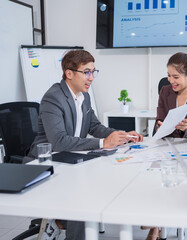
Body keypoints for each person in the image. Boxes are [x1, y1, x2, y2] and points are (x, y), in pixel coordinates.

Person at [28, 49, 143, 240]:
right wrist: (103, 142)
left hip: (71, 156)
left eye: (93, 71)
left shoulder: (84, 95)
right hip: (47, 161)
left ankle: (60, 224)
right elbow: (58, 141)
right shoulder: (53, 98)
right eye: (86, 72)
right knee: (84, 194)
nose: (91, 78)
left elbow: (94, 125)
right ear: (69, 73)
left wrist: (119, 135)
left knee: (103, 181)